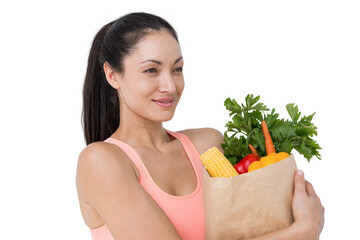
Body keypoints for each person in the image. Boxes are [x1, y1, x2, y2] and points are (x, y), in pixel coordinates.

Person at [76, 12, 324, 240]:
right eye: (151, 70)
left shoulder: (208, 145)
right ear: (112, 75)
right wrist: (303, 230)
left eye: (177, 69)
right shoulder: (101, 162)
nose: (170, 86)